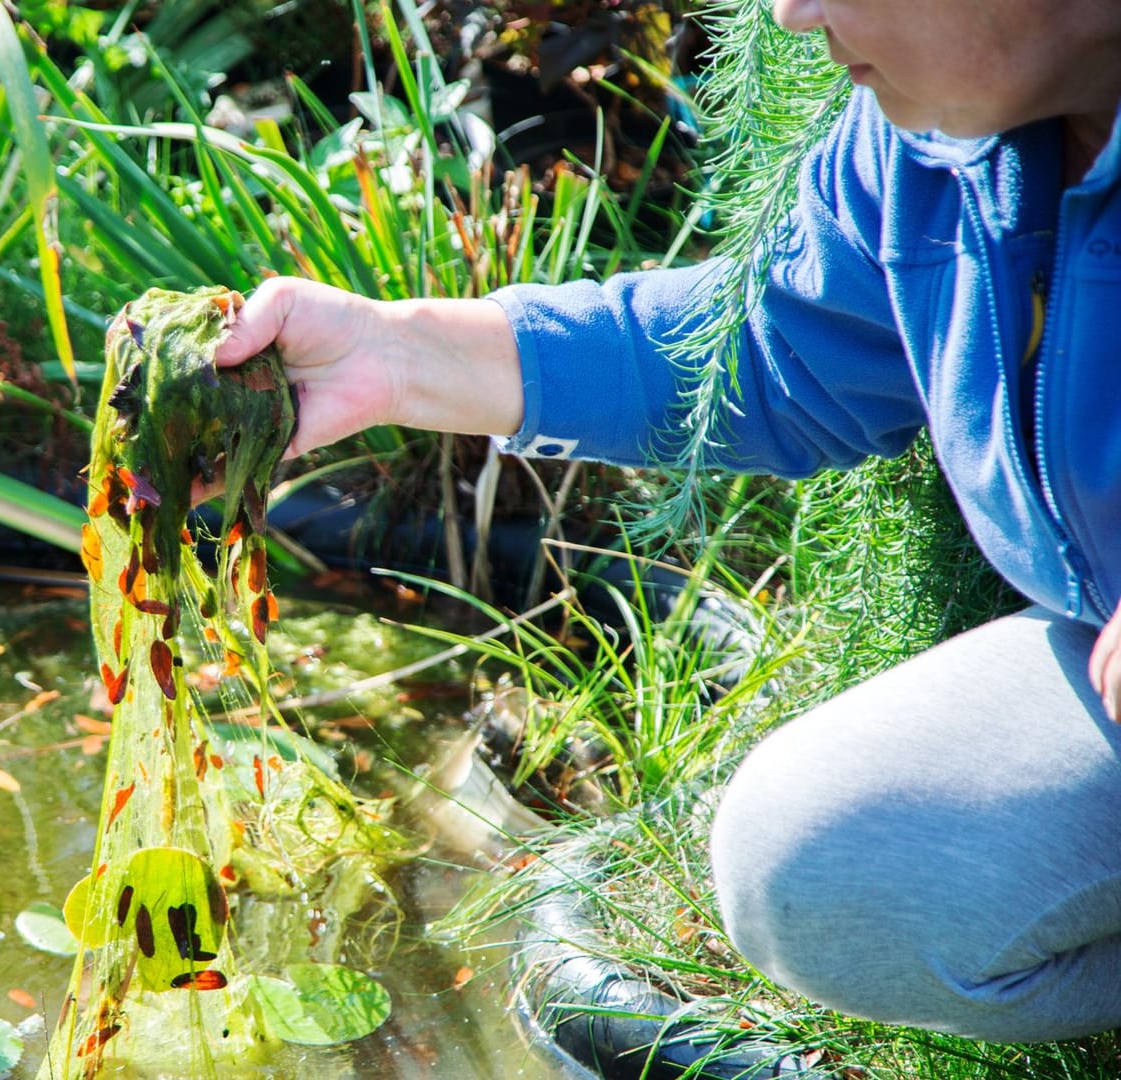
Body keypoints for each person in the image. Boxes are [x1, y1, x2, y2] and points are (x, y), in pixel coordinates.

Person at [212, 0, 1121, 1045]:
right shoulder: (938, 147)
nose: (792, 13)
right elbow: (772, 355)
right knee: (819, 867)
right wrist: (396, 356)